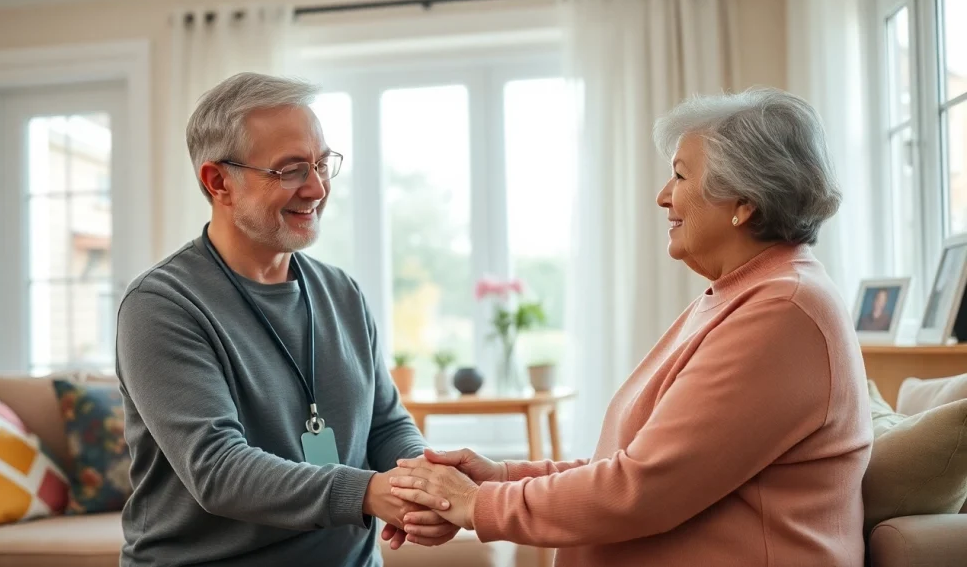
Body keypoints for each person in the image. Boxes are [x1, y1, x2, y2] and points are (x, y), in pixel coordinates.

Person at [386, 88, 873, 566]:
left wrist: (475, 504)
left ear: (743, 202)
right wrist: (499, 478)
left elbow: (642, 489)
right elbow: (630, 465)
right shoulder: (744, 295)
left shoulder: (782, 311)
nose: (664, 196)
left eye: (680, 176)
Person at [114, 72, 457, 567]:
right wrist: (368, 493)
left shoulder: (342, 291)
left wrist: (424, 481)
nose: (317, 188)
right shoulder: (160, 305)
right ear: (218, 182)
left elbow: (384, 423)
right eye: (292, 169)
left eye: (322, 164)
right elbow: (218, 469)